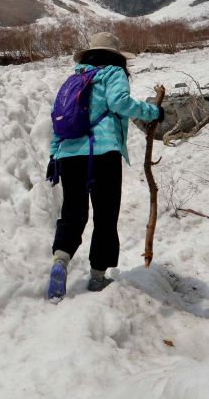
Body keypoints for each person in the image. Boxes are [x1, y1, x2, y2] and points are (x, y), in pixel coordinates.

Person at [47, 31, 164, 298]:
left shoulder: (74, 78)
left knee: (73, 212)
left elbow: (59, 121)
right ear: (116, 56)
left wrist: (54, 156)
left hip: (69, 154)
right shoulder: (113, 73)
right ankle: (98, 277)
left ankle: (60, 262)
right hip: (103, 154)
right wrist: (153, 112)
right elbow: (119, 103)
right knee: (105, 216)